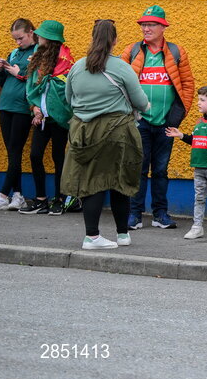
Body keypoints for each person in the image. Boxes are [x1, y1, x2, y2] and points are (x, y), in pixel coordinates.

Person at [63, 19, 149, 249]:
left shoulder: (77, 66)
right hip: (116, 131)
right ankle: (118, 235)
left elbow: (69, 100)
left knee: (92, 181)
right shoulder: (121, 67)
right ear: (115, 40)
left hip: (83, 131)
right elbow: (140, 101)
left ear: (92, 38)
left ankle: (95, 234)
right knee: (118, 181)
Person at [121, 5, 195, 230]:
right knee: (138, 168)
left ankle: (160, 214)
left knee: (161, 169)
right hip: (139, 120)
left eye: (151, 24)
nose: (146, 28)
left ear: (163, 27)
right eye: (143, 24)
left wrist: (177, 117)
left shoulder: (176, 52)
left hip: (166, 122)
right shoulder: (132, 50)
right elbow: (118, 81)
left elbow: (188, 85)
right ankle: (134, 214)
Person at [20, 20, 77, 216]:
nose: (38, 37)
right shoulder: (38, 56)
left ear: (50, 38)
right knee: (35, 155)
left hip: (58, 118)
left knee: (59, 158)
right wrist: (35, 108)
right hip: (40, 117)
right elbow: (31, 87)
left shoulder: (65, 60)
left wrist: (50, 109)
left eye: (42, 35)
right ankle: (41, 199)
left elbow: (64, 91)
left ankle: (60, 199)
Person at [165, 84, 207, 239]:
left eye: (202, 100)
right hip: (199, 167)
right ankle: (197, 227)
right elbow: (195, 140)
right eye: (199, 99)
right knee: (199, 197)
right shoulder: (199, 122)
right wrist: (181, 135)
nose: (198, 103)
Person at [0, 19, 37, 211]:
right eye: (15, 39)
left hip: (22, 107)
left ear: (31, 32)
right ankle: (18, 195)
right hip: (6, 105)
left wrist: (18, 72)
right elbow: (3, 81)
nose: (18, 43)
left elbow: (35, 79)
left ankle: (2, 195)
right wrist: (1, 70)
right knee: (11, 152)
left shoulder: (37, 53)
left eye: (21, 38)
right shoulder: (15, 53)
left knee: (16, 151)